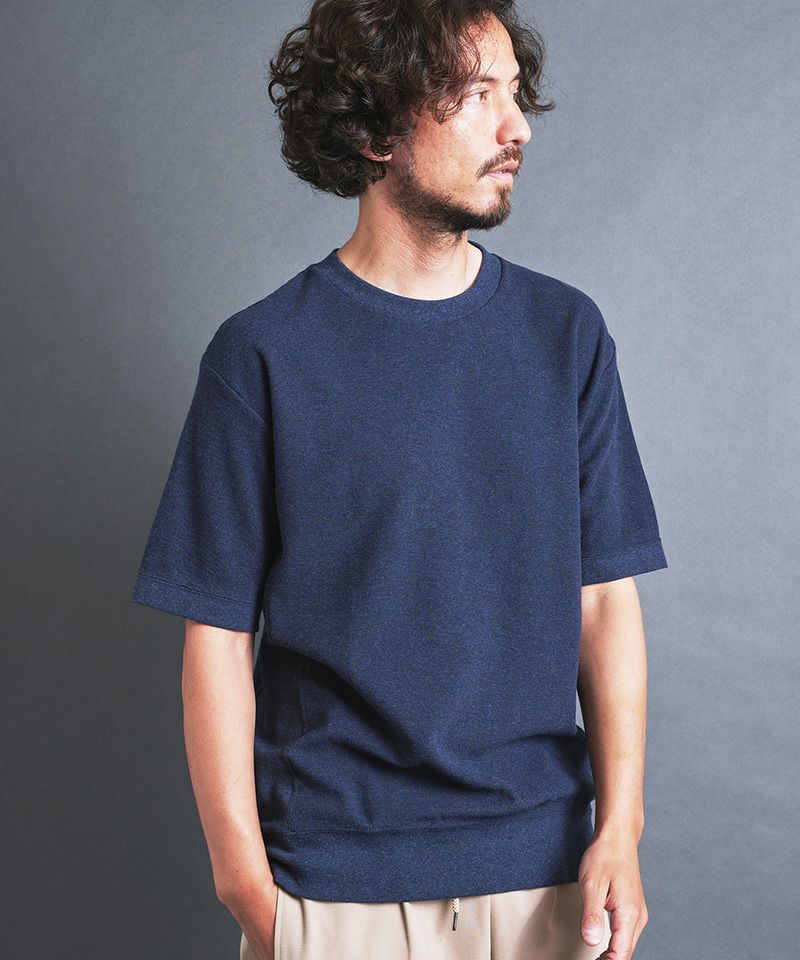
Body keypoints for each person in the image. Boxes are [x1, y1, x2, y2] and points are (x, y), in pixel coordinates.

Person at [131, 1, 668, 958]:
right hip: (332, 889)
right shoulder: (263, 355)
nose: (517, 127)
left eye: (515, 93)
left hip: (547, 880)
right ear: (376, 129)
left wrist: (619, 830)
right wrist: (246, 886)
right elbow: (215, 634)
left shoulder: (566, 336)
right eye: (477, 95)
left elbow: (603, 602)